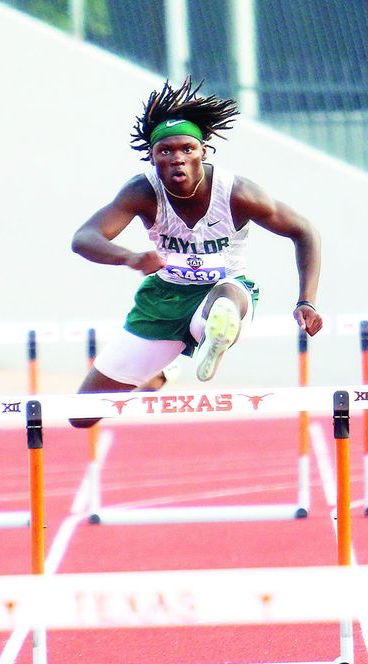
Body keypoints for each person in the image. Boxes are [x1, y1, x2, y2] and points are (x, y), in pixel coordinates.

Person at [69, 78, 323, 428]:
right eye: (166, 152)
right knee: (80, 415)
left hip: (226, 290)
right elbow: (84, 237)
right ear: (152, 156)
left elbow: (304, 231)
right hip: (163, 300)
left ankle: (213, 333)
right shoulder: (142, 191)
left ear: (204, 151)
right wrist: (129, 257)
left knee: (226, 296)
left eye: (187, 149)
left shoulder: (238, 193)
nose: (178, 160)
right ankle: (166, 366)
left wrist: (306, 300)